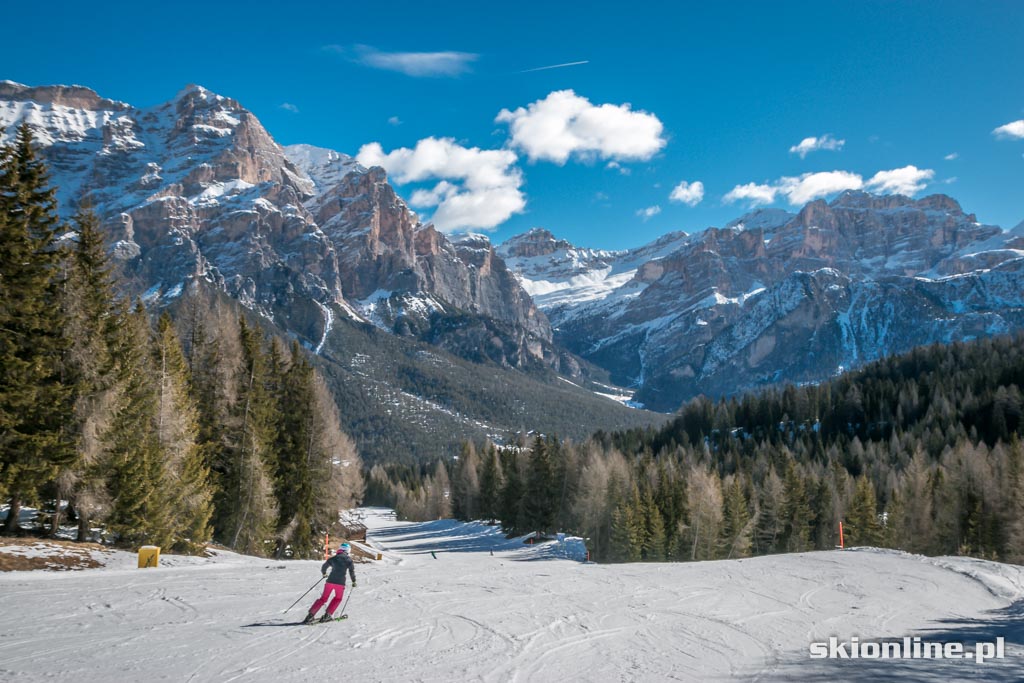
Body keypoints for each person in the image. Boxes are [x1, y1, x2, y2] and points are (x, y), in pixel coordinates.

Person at [303, 542, 357, 624]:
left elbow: (324, 566)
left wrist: (324, 573)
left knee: (323, 598)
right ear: (348, 550)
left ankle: (310, 615)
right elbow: (351, 572)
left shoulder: (334, 558)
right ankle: (327, 615)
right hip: (340, 583)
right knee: (338, 598)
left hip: (330, 581)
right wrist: (354, 581)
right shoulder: (349, 560)